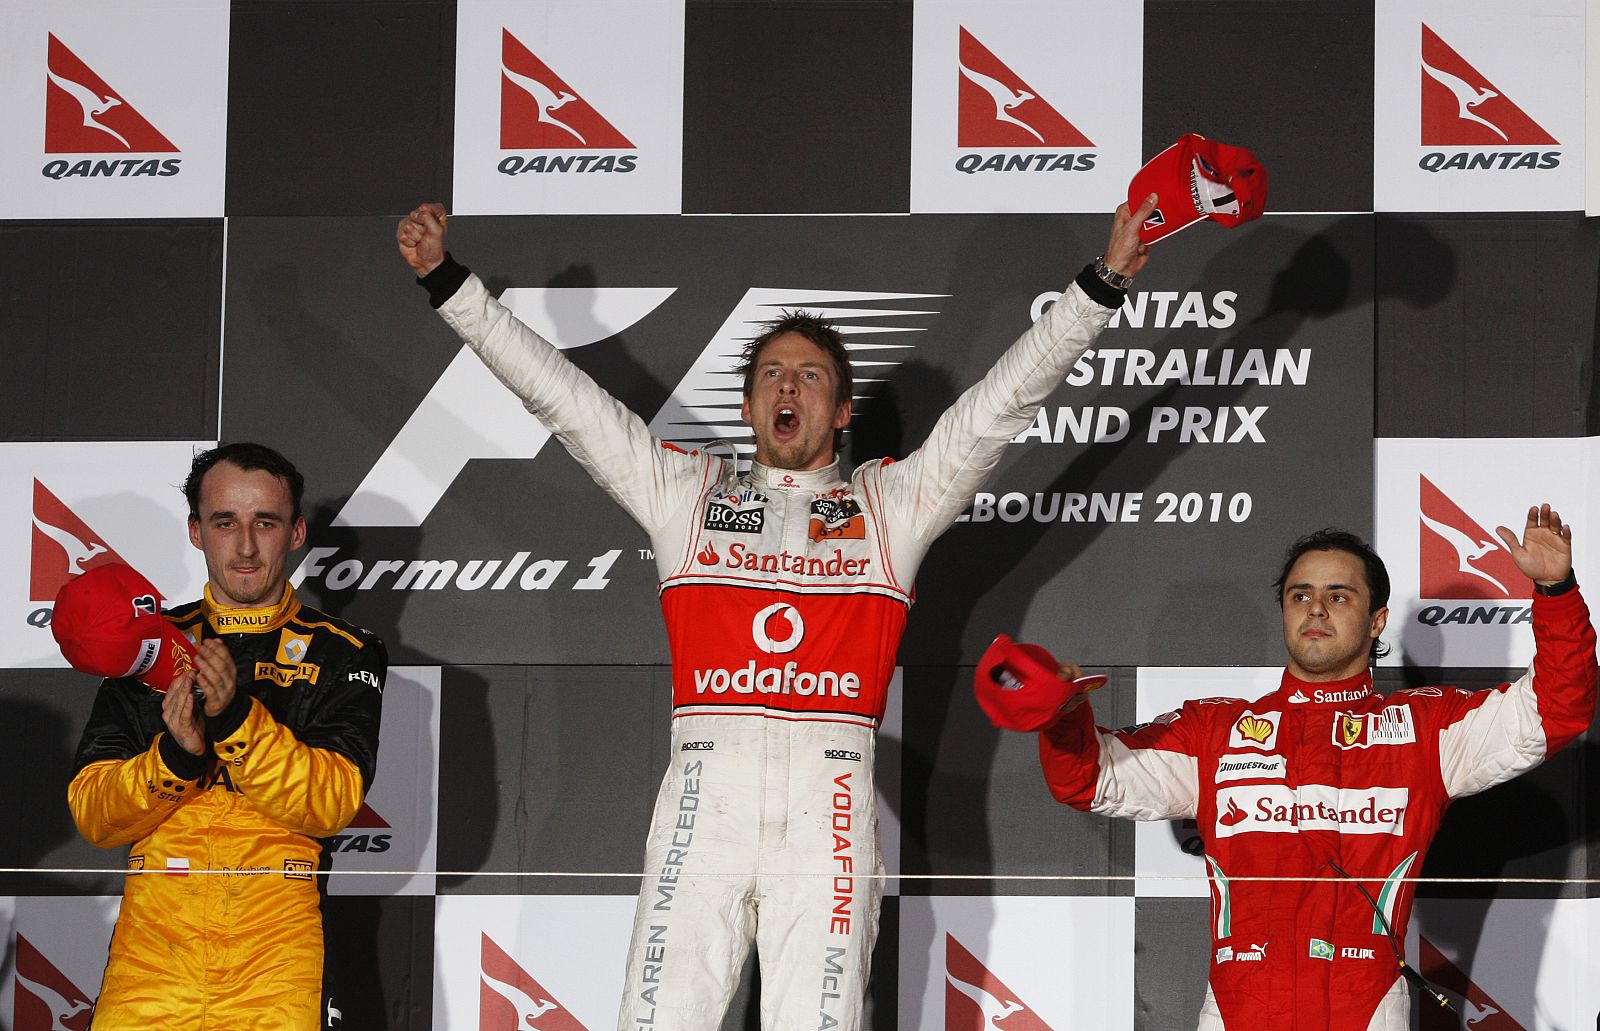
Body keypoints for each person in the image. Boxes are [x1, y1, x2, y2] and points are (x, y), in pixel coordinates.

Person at [397, 197, 1156, 1029]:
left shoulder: (892, 505)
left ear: (840, 412)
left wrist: (1101, 282)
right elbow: (566, 401)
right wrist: (452, 286)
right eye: (770, 375)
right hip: (702, 804)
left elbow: (998, 409)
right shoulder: (685, 493)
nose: (787, 386)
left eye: (810, 376)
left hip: (829, 808)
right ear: (751, 406)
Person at [1021, 506, 1596, 1030]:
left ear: (1377, 621)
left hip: (1366, 1008)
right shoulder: (1212, 732)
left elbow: (1554, 711)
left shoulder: (1428, 729)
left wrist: (1555, 591)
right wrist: (1061, 713)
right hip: (1237, 1008)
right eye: (1300, 595)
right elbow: (1090, 777)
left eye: (1339, 595)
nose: (1315, 607)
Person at [67, 442, 386, 1029]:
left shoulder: (346, 650)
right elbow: (95, 816)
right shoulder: (149, 645)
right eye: (224, 523)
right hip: (153, 956)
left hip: (277, 950)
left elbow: (332, 801)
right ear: (196, 531)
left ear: (295, 533)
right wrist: (176, 759)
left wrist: (237, 719)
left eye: (265, 522)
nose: (244, 547)